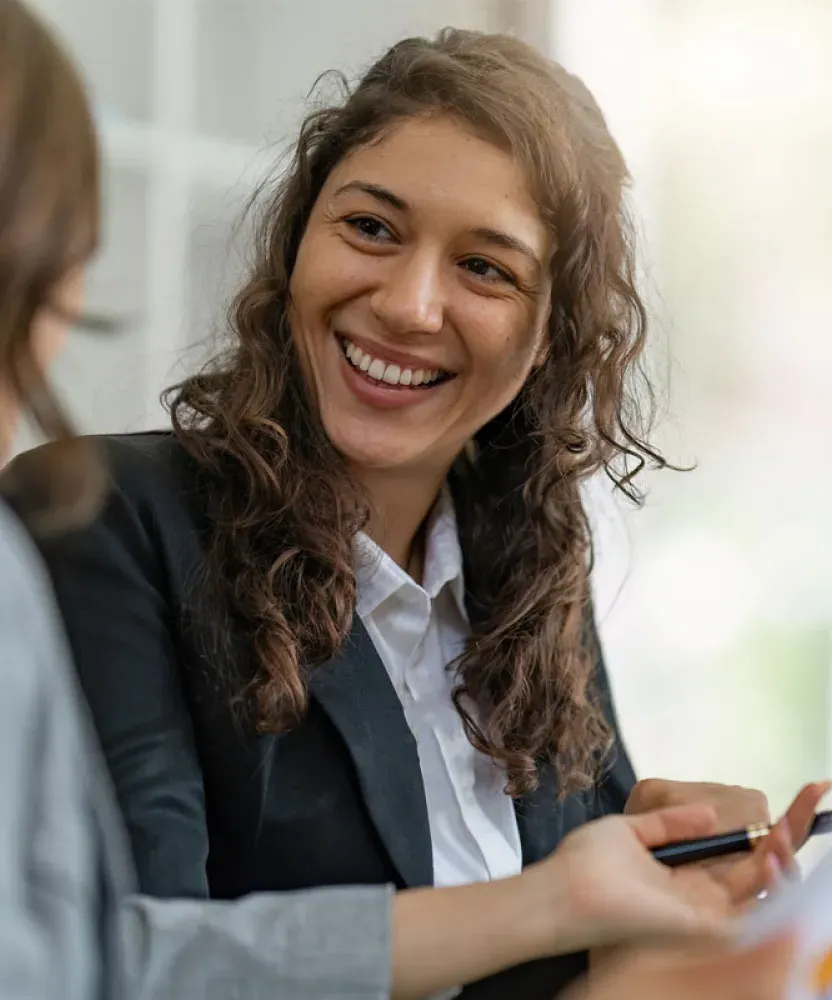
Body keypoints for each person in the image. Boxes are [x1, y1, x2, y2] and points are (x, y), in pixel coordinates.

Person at [0, 5, 822, 998]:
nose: (408, 303)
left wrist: (662, 912)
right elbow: (126, 965)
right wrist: (573, 911)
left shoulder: (528, 582)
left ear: (551, 337)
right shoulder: (105, 521)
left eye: (484, 266)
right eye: (371, 228)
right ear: (297, 243)